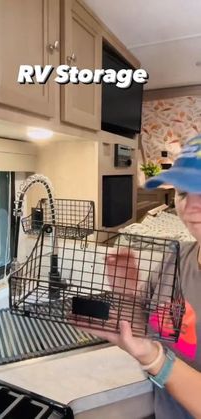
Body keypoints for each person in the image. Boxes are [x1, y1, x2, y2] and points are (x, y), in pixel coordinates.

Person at [76, 135, 201, 419]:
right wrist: (128, 294)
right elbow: (146, 328)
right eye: (183, 192)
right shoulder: (178, 257)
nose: (190, 208)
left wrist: (154, 359)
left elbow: (152, 352)